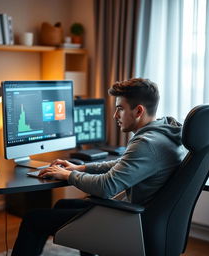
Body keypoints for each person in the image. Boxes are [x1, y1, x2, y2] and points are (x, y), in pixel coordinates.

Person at [11, 78, 184, 256]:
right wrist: (81, 168)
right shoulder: (164, 132)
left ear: (138, 110)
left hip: (132, 223)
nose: (115, 115)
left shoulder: (146, 144)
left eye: (120, 109)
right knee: (62, 205)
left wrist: (66, 176)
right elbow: (122, 163)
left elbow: (106, 187)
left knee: (32, 219)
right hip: (145, 219)